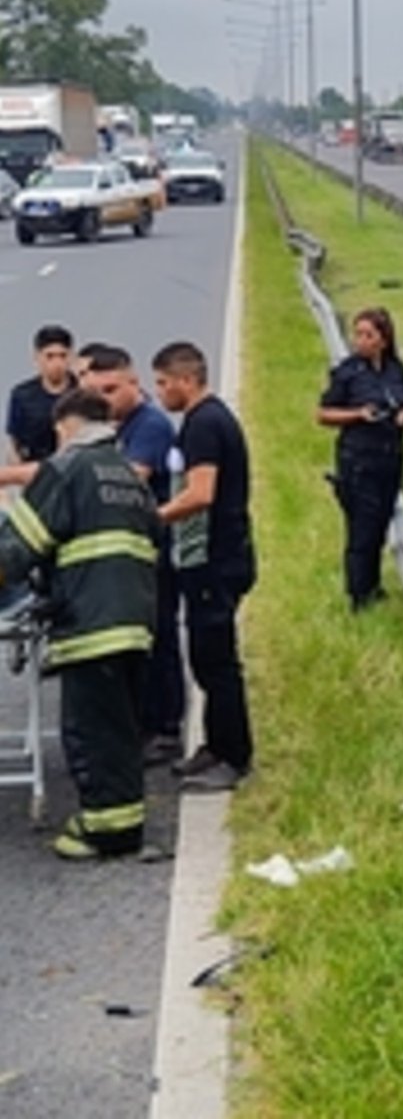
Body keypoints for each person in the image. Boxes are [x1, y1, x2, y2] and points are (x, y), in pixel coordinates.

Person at [0, 389, 158, 859]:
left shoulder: (65, 470)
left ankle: (108, 833)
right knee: (121, 729)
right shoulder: (129, 476)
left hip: (92, 623)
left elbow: (16, 548)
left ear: (65, 427)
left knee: (92, 731)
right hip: (134, 620)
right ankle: (122, 821)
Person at [153, 342, 256, 791]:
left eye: (163, 382)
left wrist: (152, 517)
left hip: (216, 559)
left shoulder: (205, 426)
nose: (160, 392)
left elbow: (200, 493)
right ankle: (215, 745)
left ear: (185, 380)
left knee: (216, 661)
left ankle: (233, 756)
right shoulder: (201, 420)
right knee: (203, 656)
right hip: (206, 560)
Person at [81, 346, 186, 765]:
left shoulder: (151, 427)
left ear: (132, 381)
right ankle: (144, 722)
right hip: (130, 554)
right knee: (140, 642)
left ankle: (166, 728)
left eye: (110, 390)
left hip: (155, 549)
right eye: (95, 393)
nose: (103, 401)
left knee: (159, 638)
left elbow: (126, 480)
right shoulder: (117, 427)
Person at [317, 307, 403, 610]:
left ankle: (374, 586)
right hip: (357, 460)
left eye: (368, 335)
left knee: (380, 523)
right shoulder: (347, 373)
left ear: (383, 340)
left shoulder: (397, 371)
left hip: (390, 457)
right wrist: (358, 414)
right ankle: (358, 595)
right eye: (357, 334)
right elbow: (323, 414)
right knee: (361, 528)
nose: (360, 341)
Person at [7, 325, 75, 463]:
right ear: (37, 357)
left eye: (63, 356)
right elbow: (14, 442)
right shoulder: (22, 396)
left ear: (71, 357)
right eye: (49, 356)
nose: (57, 363)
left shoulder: (83, 393)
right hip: (34, 468)